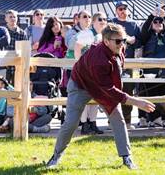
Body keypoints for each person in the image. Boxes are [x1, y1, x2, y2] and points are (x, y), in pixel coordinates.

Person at [46, 23, 156, 170]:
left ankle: (126, 157)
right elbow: (108, 89)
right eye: (118, 41)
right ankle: (56, 156)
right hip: (81, 85)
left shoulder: (118, 48)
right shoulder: (98, 59)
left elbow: (110, 82)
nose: (122, 44)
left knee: (118, 118)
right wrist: (135, 101)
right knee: (71, 122)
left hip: (102, 85)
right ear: (106, 41)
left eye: (123, 40)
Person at [138, 6, 165, 129]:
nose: (158, 23)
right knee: (152, 94)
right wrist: (151, 16)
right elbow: (144, 29)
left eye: (161, 22)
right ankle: (154, 119)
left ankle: (164, 119)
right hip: (151, 69)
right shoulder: (147, 35)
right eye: (156, 21)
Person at [73, 12, 107, 135]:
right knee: (84, 98)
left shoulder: (102, 35)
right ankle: (84, 125)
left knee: (96, 98)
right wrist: (79, 66)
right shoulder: (87, 34)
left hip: (97, 72)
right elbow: (77, 48)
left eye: (104, 19)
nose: (103, 21)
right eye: (100, 19)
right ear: (93, 22)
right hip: (86, 71)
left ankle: (93, 123)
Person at [111, 1, 142, 129]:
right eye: (120, 9)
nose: (122, 11)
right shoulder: (111, 23)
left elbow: (139, 43)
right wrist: (128, 38)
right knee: (113, 91)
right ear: (116, 11)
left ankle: (127, 122)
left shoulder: (134, 24)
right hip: (112, 61)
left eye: (124, 8)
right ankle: (112, 121)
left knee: (128, 91)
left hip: (129, 62)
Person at [4, 10, 28, 84]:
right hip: (4, 65)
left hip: (17, 66)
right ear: (6, 19)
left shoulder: (22, 33)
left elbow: (25, 50)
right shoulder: (2, 31)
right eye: (10, 17)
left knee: (17, 88)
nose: (13, 19)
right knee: (3, 88)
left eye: (14, 17)